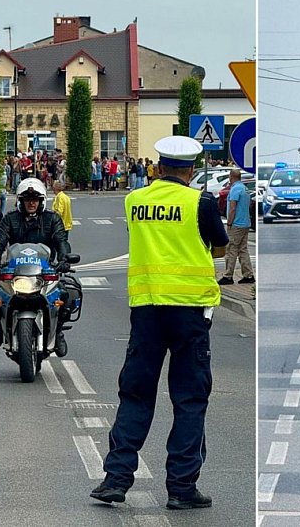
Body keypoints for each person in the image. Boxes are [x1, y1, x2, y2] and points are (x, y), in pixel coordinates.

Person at [91, 136, 228, 510]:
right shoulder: (200, 202)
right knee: (189, 399)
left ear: (159, 166)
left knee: (135, 394)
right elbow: (219, 247)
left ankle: (115, 480)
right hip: (189, 312)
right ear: (191, 169)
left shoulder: (134, 200)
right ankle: (182, 489)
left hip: (147, 309)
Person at [0, 177, 71, 351]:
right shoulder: (10, 219)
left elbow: (61, 241)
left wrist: (64, 259)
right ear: (20, 201)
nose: (31, 203)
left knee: (66, 293)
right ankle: (0, 330)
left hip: (44, 270)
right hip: (15, 270)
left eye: (35, 200)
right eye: (27, 200)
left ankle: (59, 332)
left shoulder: (52, 219)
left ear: (41, 201)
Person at [218, 169, 254, 285]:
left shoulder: (235, 190)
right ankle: (248, 275)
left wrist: (229, 222)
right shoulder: (245, 189)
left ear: (231, 177)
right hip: (245, 223)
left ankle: (228, 275)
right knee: (243, 250)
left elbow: (233, 207)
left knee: (231, 249)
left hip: (236, 224)